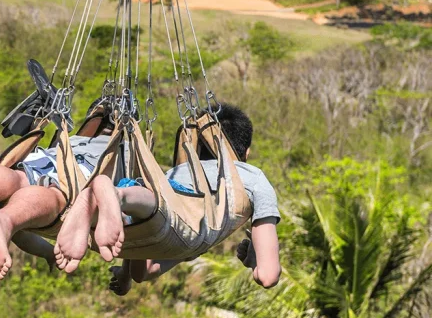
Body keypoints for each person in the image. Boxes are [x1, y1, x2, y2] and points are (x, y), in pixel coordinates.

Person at [53, 104, 281, 292]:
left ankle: (115, 195)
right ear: (246, 152)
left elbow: (143, 271)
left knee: (152, 211)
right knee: (162, 218)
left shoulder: (175, 172)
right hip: (183, 217)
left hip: (156, 201)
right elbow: (268, 276)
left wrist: (126, 275)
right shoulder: (253, 178)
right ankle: (115, 195)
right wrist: (255, 261)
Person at [0, 102, 120, 287]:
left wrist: (48, 253)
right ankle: (6, 219)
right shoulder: (123, 152)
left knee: (17, 177)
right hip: (84, 174)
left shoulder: (71, 141)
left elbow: (22, 236)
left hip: (48, 157)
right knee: (54, 197)